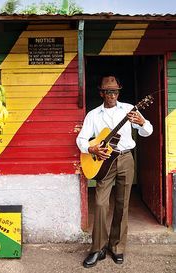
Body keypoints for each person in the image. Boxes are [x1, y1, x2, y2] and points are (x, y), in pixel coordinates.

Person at [76, 75, 153, 268]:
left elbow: (148, 131)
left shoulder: (129, 110)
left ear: (119, 91)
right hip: (103, 163)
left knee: (122, 204)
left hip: (125, 158)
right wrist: (91, 149)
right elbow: (81, 139)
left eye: (115, 91)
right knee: (101, 204)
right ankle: (98, 249)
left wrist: (142, 122)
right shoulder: (93, 115)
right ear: (101, 93)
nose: (112, 95)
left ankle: (117, 247)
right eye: (108, 91)